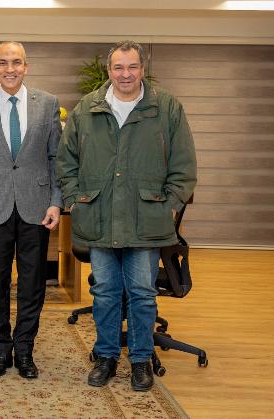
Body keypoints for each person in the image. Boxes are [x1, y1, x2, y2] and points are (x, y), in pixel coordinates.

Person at [57, 40, 197, 391]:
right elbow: (66, 161)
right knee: (105, 292)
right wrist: (75, 199)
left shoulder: (166, 108)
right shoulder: (87, 108)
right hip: (98, 217)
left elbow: (184, 165)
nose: (125, 74)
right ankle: (105, 357)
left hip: (145, 220)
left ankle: (140, 360)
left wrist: (169, 204)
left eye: (132, 67)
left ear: (142, 69)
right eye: (118, 67)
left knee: (141, 293)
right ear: (109, 70)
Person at [0, 41, 62, 379]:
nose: (10, 69)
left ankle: (25, 350)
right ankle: (1, 350)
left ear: (26, 66)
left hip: (37, 207)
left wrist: (56, 201)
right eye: (3, 63)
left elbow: (56, 158)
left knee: (32, 283)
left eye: (16, 62)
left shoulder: (48, 103)